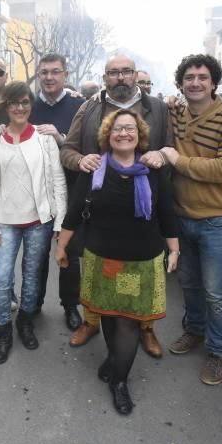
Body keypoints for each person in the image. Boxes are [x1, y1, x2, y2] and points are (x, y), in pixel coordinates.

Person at [56, 109, 179, 415]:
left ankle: (119, 380)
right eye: (117, 129)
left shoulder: (152, 169)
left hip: (140, 260)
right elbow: (73, 212)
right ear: (107, 136)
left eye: (130, 128)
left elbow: (167, 212)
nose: (124, 133)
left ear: (140, 135)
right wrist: (62, 246)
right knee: (109, 314)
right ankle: (113, 362)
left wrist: (174, 250)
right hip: (102, 257)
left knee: (128, 320)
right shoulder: (94, 168)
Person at [61, 54, 173, 358]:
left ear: (135, 75)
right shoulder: (89, 108)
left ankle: (145, 328)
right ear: (104, 77)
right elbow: (68, 150)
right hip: (100, 205)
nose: (120, 77)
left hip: (143, 205)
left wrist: (162, 155)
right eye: (113, 73)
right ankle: (92, 321)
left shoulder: (158, 108)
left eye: (126, 72)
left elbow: (171, 147)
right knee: (98, 271)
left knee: (140, 275)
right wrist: (80, 160)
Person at [162, 54, 222, 386]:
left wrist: (178, 160)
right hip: (182, 218)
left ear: (214, 83)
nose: (195, 82)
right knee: (190, 285)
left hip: (217, 220)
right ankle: (193, 331)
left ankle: (220, 351)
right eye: (189, 78)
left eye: (202, 77)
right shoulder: (177, 113)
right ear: (181, 83)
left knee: (216, 291)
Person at [0, 81, 67, 364]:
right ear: (6, 106)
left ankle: (24, 322)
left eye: (25, 102)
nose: (19, 108)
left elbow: (56, 181)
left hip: (38, 221)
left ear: (31, 105)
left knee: (32, 277)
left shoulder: (44, 139)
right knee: (2, 278)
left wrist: (59, 222)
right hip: (4, 222)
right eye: (13, 103)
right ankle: (3, 330)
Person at [29, 53, 85, 331]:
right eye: (44, 73)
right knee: (37, 252)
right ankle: (34, 302)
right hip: (37, 189)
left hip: (71, 188)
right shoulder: (28, 104)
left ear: (65, 74)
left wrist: (59, 137)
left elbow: (86, 147)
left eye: (55, 72)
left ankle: (70, 305)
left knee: (69, 252)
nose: (49, 77)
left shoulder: (80, 105)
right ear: (38, 76)